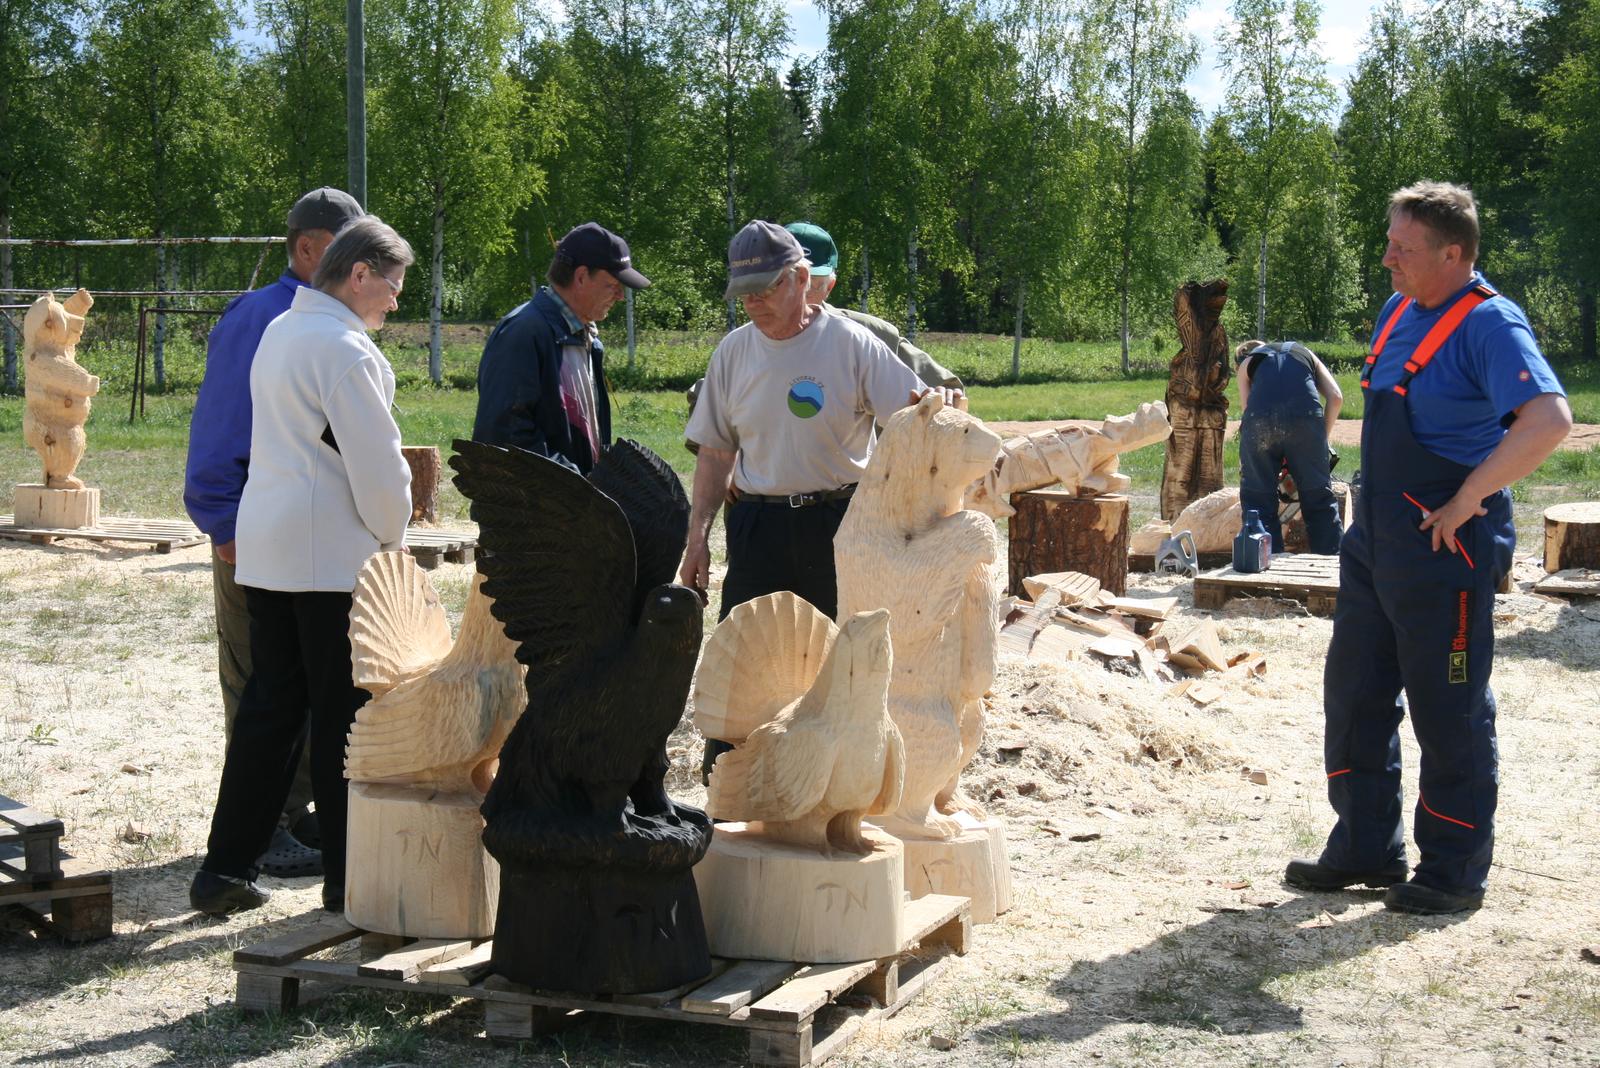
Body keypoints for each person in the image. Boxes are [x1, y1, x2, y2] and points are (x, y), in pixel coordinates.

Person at [1286, 181, 1571, 915]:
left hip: (1447, 546)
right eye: (1389, 243)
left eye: (1403, 248)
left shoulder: (1489, 323)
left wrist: (1471, 496)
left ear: (1453, 254)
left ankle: (1453, 870)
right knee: (1355, 695)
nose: (1387, 259)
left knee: (1448, 707)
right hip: (1377, 539)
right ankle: (1366, 846)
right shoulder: (1398, 310)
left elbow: (1549, 420)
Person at [189, 217, 416, 916]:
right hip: (329, 558)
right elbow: (377, 467)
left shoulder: (283, 330)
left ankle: (224, 868)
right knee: (343, 716)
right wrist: (395, 537)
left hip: (270, 550)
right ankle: (348, 881)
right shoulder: (344, 349)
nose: (396, 299)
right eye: (392, 284)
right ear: (359, 274)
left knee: (271, 708)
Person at [680, 221, 958, 778]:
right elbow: (714, 454)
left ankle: (834, 788)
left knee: (843, 664)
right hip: (756, 527)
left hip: (838, 524)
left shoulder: (851, 344)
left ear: (801, 279)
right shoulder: (732, 353)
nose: (754, 303)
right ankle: (729, 790)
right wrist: (697, 541)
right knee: (743, 662)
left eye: (765, 289)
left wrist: (941, 408)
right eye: (745, 293)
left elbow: (915, 420)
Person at [183, 187, 365, 878]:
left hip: (308, 539)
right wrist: (223, 523)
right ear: (309, 247)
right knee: (264, 683)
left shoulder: (326, 317)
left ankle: (297, 809)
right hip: (254, 534)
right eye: (349, 248)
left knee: (319, 681)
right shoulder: (260, 315)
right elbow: (220, 428)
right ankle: (267, 828)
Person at [472, 222, 649, 472]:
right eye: (613, 285)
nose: (620, 296)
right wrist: (573, 484)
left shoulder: (582, 335)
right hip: (533, 497)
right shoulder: (523, 333)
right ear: (581, 277)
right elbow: (503, 438)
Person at [785, 221, 961, 390]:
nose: (797, 293)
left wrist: (944, 394)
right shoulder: (765, 340)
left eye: (810, 284)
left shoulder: (870, 334)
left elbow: (947, 388)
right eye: (786, 280)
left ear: (829, 287)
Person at [1234, 338, 1343, 554]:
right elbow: (1336, 397)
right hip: (1306, 419)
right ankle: (1331, 561)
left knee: (1258, 499)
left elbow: (1248, 415)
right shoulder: (1304, 352)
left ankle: (1266, 560)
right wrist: (1320, 440)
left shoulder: (1247, 364)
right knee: (1319, 498)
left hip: (1260, 422)